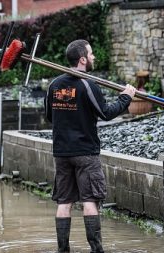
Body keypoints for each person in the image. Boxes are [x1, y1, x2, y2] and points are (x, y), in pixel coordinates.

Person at [44, 39, 137, 253]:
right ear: (83, 59)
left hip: (61, 153)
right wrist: (126, 98)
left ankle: (63, 250)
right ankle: (96, 250)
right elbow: (106, 113)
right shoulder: (88, 84)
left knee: (64, 202)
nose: (94, 57)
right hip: (86, 153)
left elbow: (50, 116)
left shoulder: (53, 85)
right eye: (92, 54)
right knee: (89, 201)